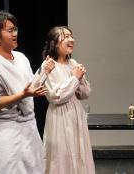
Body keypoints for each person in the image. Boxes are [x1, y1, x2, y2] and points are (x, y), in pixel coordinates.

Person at [0, 10, 55, 174]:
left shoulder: (21, 58)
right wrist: (23, 95)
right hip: (6, 129)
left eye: (15, 29)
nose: (15, 33)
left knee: (34, 169)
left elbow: (30, 86)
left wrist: (44, 71)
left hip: (29, 128)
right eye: (9, 30)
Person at [41, 26, 96, 174]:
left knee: (79, 152)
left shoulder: (73, 63)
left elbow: (85, 94)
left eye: (71, 36)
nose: (71, 39)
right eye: (66, 36)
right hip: (60, 116)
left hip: (76, 114)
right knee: (62, 156)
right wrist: (74, 78)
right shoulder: (49, 66)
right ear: (54, 43)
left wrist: (81, 79)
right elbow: (56, 96)